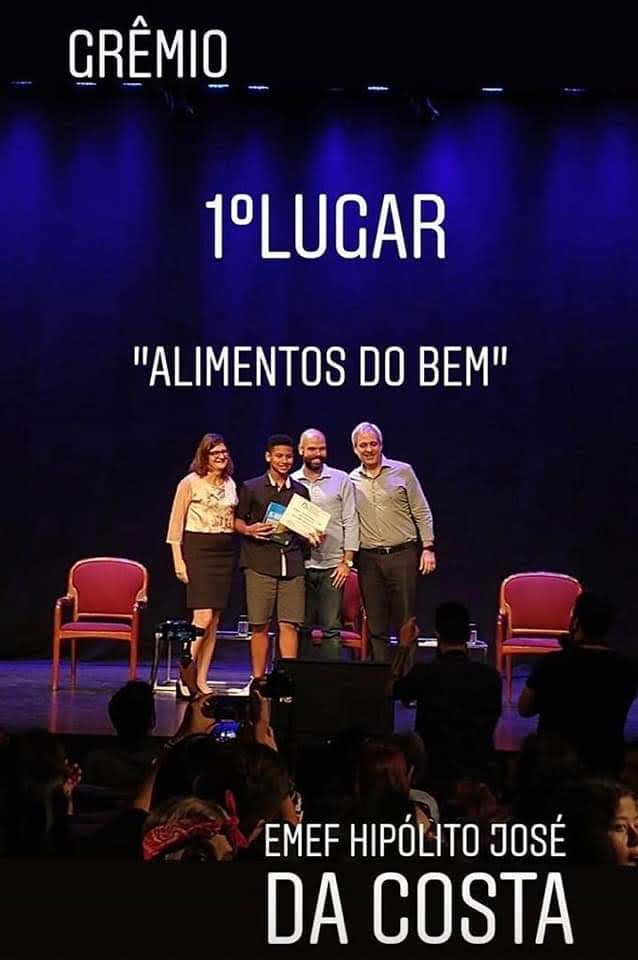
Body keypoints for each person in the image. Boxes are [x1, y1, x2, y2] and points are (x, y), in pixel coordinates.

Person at [518, 592, 638, 777]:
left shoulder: (552, 663)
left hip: (554, 768)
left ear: (576, 622)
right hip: (605, 766)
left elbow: (524, 709)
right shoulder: (627, 667)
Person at [349, 421, 435, 662]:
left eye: (373, 444)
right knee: (376, 624)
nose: (369, 449)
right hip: (369, 559)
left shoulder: (403, 471)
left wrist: (427, 547)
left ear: (381, 445)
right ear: (355, 449)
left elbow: (421, 511)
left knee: (406, 622)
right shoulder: (351, 480)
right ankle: (382, 677)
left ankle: (406, 677)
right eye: (363, 445)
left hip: (402, 556)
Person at [391, 605, 502, 789]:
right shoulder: (490, 677)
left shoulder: (424, 673)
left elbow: (390, 691)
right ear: (468, 634)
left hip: (433, 777)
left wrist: (403, 647)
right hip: (478, 778)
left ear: (437, 633)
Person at [235, 434, 318, 678]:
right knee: (259, 625)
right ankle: (258, 679)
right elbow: (236, 520)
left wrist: (314, 535)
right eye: (279, 456)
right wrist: (248, 530)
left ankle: (286, 679)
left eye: (288, 456)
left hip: (292, 564)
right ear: (268, 457)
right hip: (259, 563)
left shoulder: (300, 491)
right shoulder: (252, 487)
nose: (284, 461)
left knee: (289, 624)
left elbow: (306, 528)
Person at [166, 432, 238, 694]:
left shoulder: (230, 483)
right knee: (203, 616)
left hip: (224, 552)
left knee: (215, 620)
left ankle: (201, 678)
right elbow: (175, 525)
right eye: (215, 453)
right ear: (204, 456)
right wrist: (178, 560)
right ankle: (184, 671)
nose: (221, 456)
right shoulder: (190, 483)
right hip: (199, 549)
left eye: (224, 452)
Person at [292, 428, 359, 660]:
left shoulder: (341, 479)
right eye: (312, 449)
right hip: (301, 566)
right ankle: (302, 677)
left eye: (322, 449)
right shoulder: (291, 481)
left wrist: (346, 562)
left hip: (333, 567)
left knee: (331, 628)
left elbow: (351, 520)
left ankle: (331, 677)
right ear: (301, 450)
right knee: (302, 628)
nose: (317, 454)